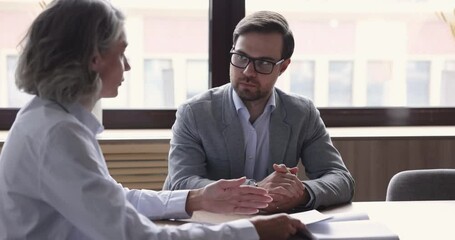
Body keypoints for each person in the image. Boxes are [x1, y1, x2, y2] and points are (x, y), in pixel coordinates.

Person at [0, 1, 306, 239]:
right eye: (121, 54)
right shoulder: (57, 135)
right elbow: (138, 236)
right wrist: (253, 232)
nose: (129, 66)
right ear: (94, 59)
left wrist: (196, 198)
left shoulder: (50, 120)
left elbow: (116, 199)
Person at [164, 10, 355, 213]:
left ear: (283, 67)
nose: (248, 71)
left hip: (274, 226)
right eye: (241, 57)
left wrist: (301, 192)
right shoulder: (194, 113)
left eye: (263, 63)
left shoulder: (302, 114)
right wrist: (255, 190)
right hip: (210, 227)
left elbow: (341, 179)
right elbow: (181, 183)